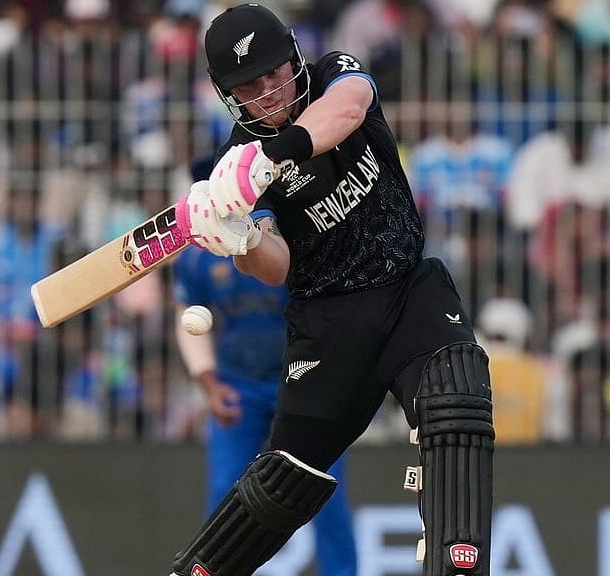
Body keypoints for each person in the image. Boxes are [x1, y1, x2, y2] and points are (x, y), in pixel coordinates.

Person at [169, 4, 494, 576]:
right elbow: (274, 267)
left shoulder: (331, 74)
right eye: (250, 87)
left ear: (294, 57)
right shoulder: (233, 165)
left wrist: (270, 158)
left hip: (408, 291)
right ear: (229, 96)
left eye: (274, 73)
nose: (269, 93)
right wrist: (239, 235)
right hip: (329, 327)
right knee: (284, 481)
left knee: (457, 405)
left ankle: (458, 566)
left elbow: (348, 109)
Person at [173, 183, 357, 575]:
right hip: (237, 386)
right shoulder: (197, 258)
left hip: (305, 384)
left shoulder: (294, 237)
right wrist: (209, 384)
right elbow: (188, 319)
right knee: (225, 492)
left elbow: (329, 315)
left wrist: (328, 381)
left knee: (324, 492)